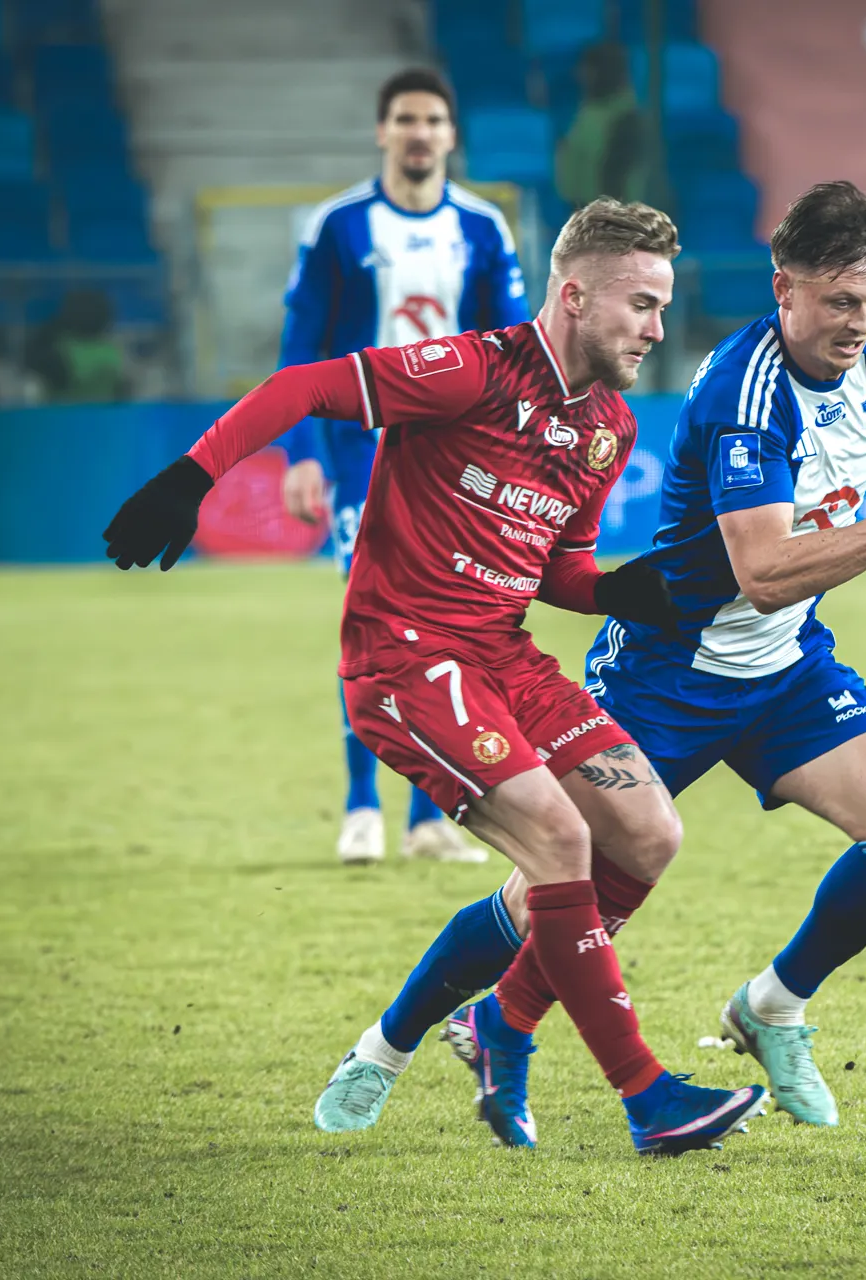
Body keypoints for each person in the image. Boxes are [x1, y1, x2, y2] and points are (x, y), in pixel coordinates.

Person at [328, 180, 866, 1141]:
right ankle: (388, 1045)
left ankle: (770, 1007)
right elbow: (766, 574)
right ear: (784, 288)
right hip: (669, 674)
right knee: (550, 892)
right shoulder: (747, 396)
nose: (860, 324)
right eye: (839, 302)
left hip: (785, 670)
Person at [100, 198, 769, 1157]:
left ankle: (416, 1037)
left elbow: (558, 569)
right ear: (575, 297)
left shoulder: (608, 429)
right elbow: (304, 385)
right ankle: (646, 1096)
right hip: (405, 656)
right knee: (558, 838)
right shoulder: (470, 371)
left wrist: (618, 592)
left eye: (663, 308)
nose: (658, 330)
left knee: (648, 832)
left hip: (502, 652)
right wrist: (193, 476)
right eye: (643, 305)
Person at [277, 67, 531, 866]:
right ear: (382, 131)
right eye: (406, 119)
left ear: (451, 136)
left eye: (432, 121)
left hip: (453, 458)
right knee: (373, 621)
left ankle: (428, 819)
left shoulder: (483, 228)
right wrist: (301, 452)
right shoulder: (338, 225)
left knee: (446, 627)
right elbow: (301, 346)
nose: (420, 133)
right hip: (361, 449)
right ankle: (361, 806)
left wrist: (517, 449)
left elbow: (513, 349)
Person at [555, 42, 658, 208]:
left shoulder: (626, 118)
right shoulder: (588, 111)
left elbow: (617, 182)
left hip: (611, 213)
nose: (580, 75)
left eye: (588, 70)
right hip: (582, 209)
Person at [23, 288, 128, 403]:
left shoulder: (61, 348)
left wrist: (52, 326)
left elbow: (29, 361)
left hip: (65, 412)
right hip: (102, 412)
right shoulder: (111, 351)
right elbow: (121, 391)